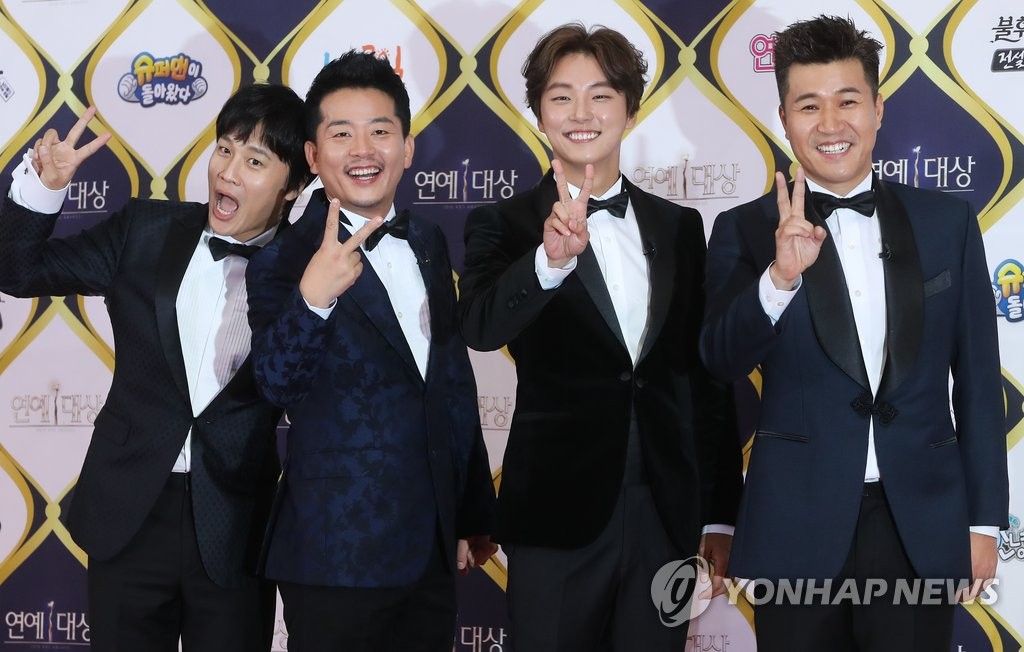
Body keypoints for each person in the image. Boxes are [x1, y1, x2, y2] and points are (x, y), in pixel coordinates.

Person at [700, 14, 1009, 651]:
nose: (830, 124)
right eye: (808, 105)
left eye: (847, 101)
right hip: (795, 522)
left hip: (920, 522)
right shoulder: (745, 229)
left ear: (878, 109)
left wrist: (984, 522)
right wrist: (779, 279)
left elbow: (979, 382)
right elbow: (718, 362)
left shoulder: (947, 222)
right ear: (784, 118)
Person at [457, 23, 743, 651]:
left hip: (665, 514)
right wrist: (548, 262)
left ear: (630, 111)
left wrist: (720, 513)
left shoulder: (679, 227)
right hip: (556, 514)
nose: (581, 114)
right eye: (561, 97)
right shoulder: (503, 222)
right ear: (539, 116)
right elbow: (479, 325)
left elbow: (705, 378)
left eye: (601, 95)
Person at [0, 84, 311, 651]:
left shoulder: (310, 268)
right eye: (224, 149)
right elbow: (16, 273)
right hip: (129, 510)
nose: (228, 172)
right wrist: (45, 189)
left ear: (293, 185)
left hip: (236, 523)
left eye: (254, 161)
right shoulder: (144, 229)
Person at [245, 50, 496, 652]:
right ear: (313, 156)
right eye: (342, 134)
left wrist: (470, 513)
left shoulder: (428, 240)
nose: (364, 150)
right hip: (335, 558)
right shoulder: (283, 258)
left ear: (407, 148)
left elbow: (451, 382)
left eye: (380, 131)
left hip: (430, 551)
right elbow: (274, 385)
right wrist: (313, 299)